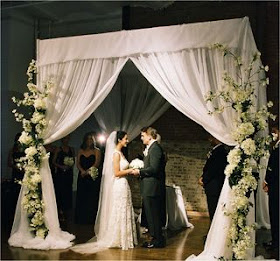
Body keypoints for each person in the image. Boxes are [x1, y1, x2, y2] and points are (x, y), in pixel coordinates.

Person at [71, 131, 137, 254]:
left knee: (123, 209)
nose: (127, 140)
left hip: (123, 184)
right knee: (119, 209)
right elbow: (117, 173)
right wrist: (131, 170)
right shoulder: (116, 154)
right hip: (119, 184)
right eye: (126, 139)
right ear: (119, 140)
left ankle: (124, 237)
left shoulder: (120, 153)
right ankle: (117, 237)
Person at [133, 127, 166, 248]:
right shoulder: (151, 148)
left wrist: (139, 172)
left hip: (152, 187)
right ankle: (155, 238)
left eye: (142, 136)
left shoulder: (155, 149)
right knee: (151, 215)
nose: (141, 138)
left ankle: (157, 240)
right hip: (149, 187)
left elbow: (154, 168)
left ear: (149, 136)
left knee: (153, 215)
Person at [198, 136, 227, 222]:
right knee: (212, 209)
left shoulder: (219, 151)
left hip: (214, 185)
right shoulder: (217, 150)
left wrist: (204, 179)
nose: (209, 140)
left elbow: (213, 169)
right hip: (212, 185)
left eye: (211, 138)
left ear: (217, 138)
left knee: (214, 209)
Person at [75, 132, 101, 225]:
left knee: (91, 197)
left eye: (91, 139)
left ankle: (91, 219)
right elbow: (77, 163)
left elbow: (97, 163)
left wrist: (88, 171)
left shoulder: (97, 150)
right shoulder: (80, 150)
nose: (89, 141)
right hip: (82, 176)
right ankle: (81, 218)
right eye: (88, 139)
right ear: (85, 140)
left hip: (92, 176)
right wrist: (82, 171)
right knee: (82, 196)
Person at [263, 123, 279, 253]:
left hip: (276, 187)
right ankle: (275, 240)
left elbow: (274, 168)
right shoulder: (277, 146)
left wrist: (267, 181)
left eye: (275, 131)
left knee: (275, 215)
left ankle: (276, 243)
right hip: (275, 185)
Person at [53, 135, 75, 222]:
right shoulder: (58, 149)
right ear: (62, 140)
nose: (66, 140)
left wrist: (70, 165)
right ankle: (60, 210)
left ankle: (66, 210)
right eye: (65, 139)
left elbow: (73, 160)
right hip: (60, 173)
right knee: (60, 191)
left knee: (67, 191)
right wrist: (61, 166)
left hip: (68, 173)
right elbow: (53, 161)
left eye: (68, 139)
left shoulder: (71, 149)